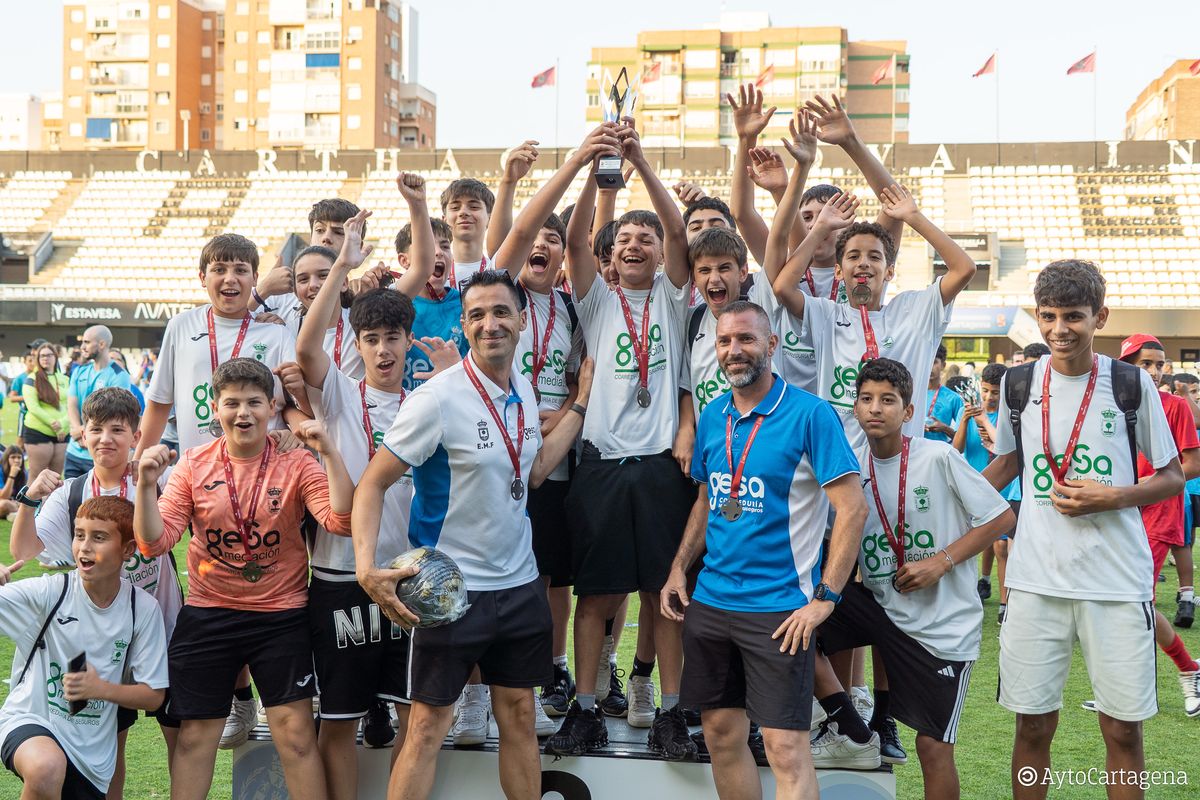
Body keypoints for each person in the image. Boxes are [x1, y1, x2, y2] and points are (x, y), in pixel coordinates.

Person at [352, 269, 594, 800]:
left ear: (521, 320)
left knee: (520, 715)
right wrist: (366, 568)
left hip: (520, 583)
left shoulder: (523, 388)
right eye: (478, 315)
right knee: (427, 727)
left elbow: (532, 473)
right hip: (450, 591)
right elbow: (372, 484)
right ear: (463, 325)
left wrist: (579, 405)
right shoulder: (436, 398)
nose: (490, 324)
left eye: (501, 312)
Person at [983, 260, 1184, 800]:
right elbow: (1007, 464)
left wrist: (1112, 496)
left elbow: (1172, 475)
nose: (1059, 330)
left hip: (1115, 581)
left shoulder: (1130, 383)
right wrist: (948, 503)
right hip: (1035, 579)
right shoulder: (1019, 383)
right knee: (1031, 725)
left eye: (1073, 316)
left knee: (1122, 730)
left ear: (1101, 317)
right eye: (1048, 317)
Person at [660, 300, 867, 800]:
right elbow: (709, 498)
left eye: (746, 339)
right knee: (720, 735)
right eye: (725, 341)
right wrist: (679, 568)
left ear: (772, 344)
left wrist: (825, 598)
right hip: (712, 604)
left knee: (785, 748)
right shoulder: (714, 415)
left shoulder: (811, 414)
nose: (734, 350)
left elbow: (852, 509)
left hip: (779, 611)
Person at [133, 358, 354, 800]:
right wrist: (144, 485)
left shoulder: (296, 462)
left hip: (281, 615)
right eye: (232, 403)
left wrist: (329, 452)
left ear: (272, 406)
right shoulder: (193, 465)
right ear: (215, 408)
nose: (243, 413)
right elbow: (153, 543)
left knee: (295, 735)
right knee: (196, 737)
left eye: (254, 402)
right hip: (210, 612)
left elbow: (341, 520)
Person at [546, 118, 697, 760]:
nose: (635, 245)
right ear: (611, 256)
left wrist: (644, 163)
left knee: (666, 595)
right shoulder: (598, 301)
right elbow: (575, 240)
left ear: (660, 253)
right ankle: (584, 709)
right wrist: (593, 169)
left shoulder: (674, 299)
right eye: (625, 239)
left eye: (646, 239)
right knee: (597, 595)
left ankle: (670, 712)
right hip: (602, 466)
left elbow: (683, 233)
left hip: (663, 467)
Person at [293, 191, 444, 799]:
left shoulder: (429, 402)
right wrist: (343, 264)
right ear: (356, 344)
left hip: (410, 579)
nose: (383, 349)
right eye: (372, 338)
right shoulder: (338, 395)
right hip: (339, 579)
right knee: (339, 721)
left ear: (409, 340)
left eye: (394, 338)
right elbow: (306, 349)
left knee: (413, 717)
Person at [817, 358, 1013, 799]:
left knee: (932, 748)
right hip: (882, 609)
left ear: (908, 411)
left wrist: (940, 562)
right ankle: (851, 729)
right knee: (793, 624)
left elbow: (1001, 517)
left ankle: (868, 725)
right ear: (855, 407)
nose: (875, 408)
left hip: (941, 629)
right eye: (866, 399)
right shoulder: (850, 468)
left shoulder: (937, 456)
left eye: (888, 400)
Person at [492, 131, 615, 725]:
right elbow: (517, 231)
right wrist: (576, 164)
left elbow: (582, 378)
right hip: (504, 452)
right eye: (536, 238)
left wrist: (564, 413)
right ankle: (499, 677)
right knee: (515, 571)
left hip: (560, 453)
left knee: (556, 574)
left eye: (554, 240)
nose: (541, 245)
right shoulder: (502, 294)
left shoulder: (570, 307)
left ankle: (553, 667)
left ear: (565, 256)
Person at [9, 386, 185, 799]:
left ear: (136, 436)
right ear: (82, 435)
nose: (106, 439)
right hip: (105, 637)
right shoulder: (72, 492)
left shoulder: (159, 479)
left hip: (164, 626)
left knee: (181, 737)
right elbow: (25, 551)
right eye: (96, 429)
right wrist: (29, 498)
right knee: (111, 742)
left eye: (117, 430)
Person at [770, 180, 976, 456]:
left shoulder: (913, 312)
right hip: (837, 467)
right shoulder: (827, 315)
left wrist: (913, 217)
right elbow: (783, 288)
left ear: (889, 271)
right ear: (839, 271)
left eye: (875, 257)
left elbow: (964, 268)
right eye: (853, 256)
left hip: (902, 467)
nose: (863, 263)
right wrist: (821, 228)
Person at [0, 496, 169, 800]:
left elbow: (153, 696)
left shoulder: (142, 609)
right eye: (79, 535)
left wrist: (100, 689)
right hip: (31, 720)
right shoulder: (50, 592)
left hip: (93, 759)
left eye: (99, 537)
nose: (84, 547)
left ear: (128, 549)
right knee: (46, 767)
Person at [1110, 334, 1200, 718]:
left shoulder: (1175, 406)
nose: (1154, 371)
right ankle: (1129, 690)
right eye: (1145, 363)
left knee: (1137, 602)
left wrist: (1140, 487)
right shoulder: (1110, 403)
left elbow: (1192, 465)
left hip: (1158, 511)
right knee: (1122, 602)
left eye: (1159, 364)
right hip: (1118, 510)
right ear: (1126, 365)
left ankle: (1188, 669)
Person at [952, 363, 1019, 618]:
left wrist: (982, 421)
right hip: (973, 487)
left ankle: (1004, 604)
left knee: (1001, 547)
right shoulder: (969, 411)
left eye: (995, 392)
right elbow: (957, 449)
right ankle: (972, 592)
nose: (989, 397)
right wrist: (965, 420)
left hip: (1003, 488)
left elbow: (1004, 450)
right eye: (985, 391)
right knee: (972, 544)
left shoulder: (1006, 416)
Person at [395, 216, 467, 392]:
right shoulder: (392, 304)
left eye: (445, 246)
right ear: (404, 260)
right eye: (428, 247)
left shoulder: (466, 304)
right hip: (406, 406)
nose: (438, 252)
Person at [65, 326, 133, 479]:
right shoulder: (79, 371)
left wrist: (84, 432)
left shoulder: (119, 375)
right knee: (72, 493)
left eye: (87, 342)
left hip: (99, 453)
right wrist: (78, 430)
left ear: (101, 344)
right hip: (74, 451)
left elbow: (113, 413)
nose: (82, 347)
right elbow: (72, 404)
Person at [1172, 372, 1200, 627]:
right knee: (1182, 541)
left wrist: (1184, 396)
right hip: (1178, 487)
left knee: (1184, 540)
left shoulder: (1179, 406)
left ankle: (1186, 597)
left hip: (1180, 489)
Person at [22, 343, 70, 479]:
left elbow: (72, 405)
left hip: (63, 433)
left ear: (55, 357)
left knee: (56, 478)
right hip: (38, 432)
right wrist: (54, 424)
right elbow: (33, 407)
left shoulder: (65, 379)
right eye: (42, 356)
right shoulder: (31, 379)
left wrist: (63, 424)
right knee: (37, 477)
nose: (45, 358)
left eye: (49, 355)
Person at [925, 343, 963, 444]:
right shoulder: (911, 394)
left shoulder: (954, 398)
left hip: (940, 451)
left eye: (934, 362)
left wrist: (945, 428)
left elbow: (964, 438)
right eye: (926, 361)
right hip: (912, 451)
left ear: (943, 365)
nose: (930, 367)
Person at [0, 446, 27, 519]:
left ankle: (16, 514)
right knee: (3, 505)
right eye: (13, 457)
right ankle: (19, 513)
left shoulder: (24, 473)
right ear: (6, 459)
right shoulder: (0, 471)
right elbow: (3, 496)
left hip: (14, 504)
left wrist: (18, 503)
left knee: (43, 499)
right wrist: (12, 476)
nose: (16, 460)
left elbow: (24, 497)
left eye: (19, 457)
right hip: (4, 502)